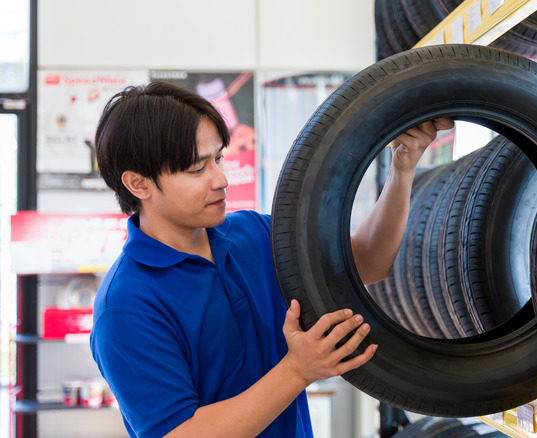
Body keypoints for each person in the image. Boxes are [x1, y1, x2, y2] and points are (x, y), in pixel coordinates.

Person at [89, 80, 453, 438]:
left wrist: (403, 168)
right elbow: (180, 433)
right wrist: (297, 370)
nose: (221, 179)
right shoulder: (125, 306)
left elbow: (368, 263)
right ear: (139, 185)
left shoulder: (254, 233)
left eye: (218, 159)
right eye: (197, 169)